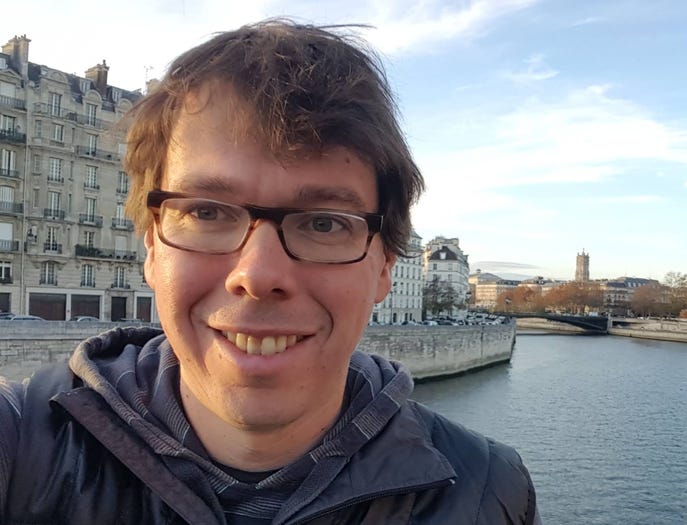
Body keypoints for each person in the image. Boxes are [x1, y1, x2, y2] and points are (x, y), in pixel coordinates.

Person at [0, 20, 540, 524]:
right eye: (206, 212)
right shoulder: (16, 442)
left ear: (385, 267)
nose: (257, 275)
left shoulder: (492, 494)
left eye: (324, 223)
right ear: (152, 249)